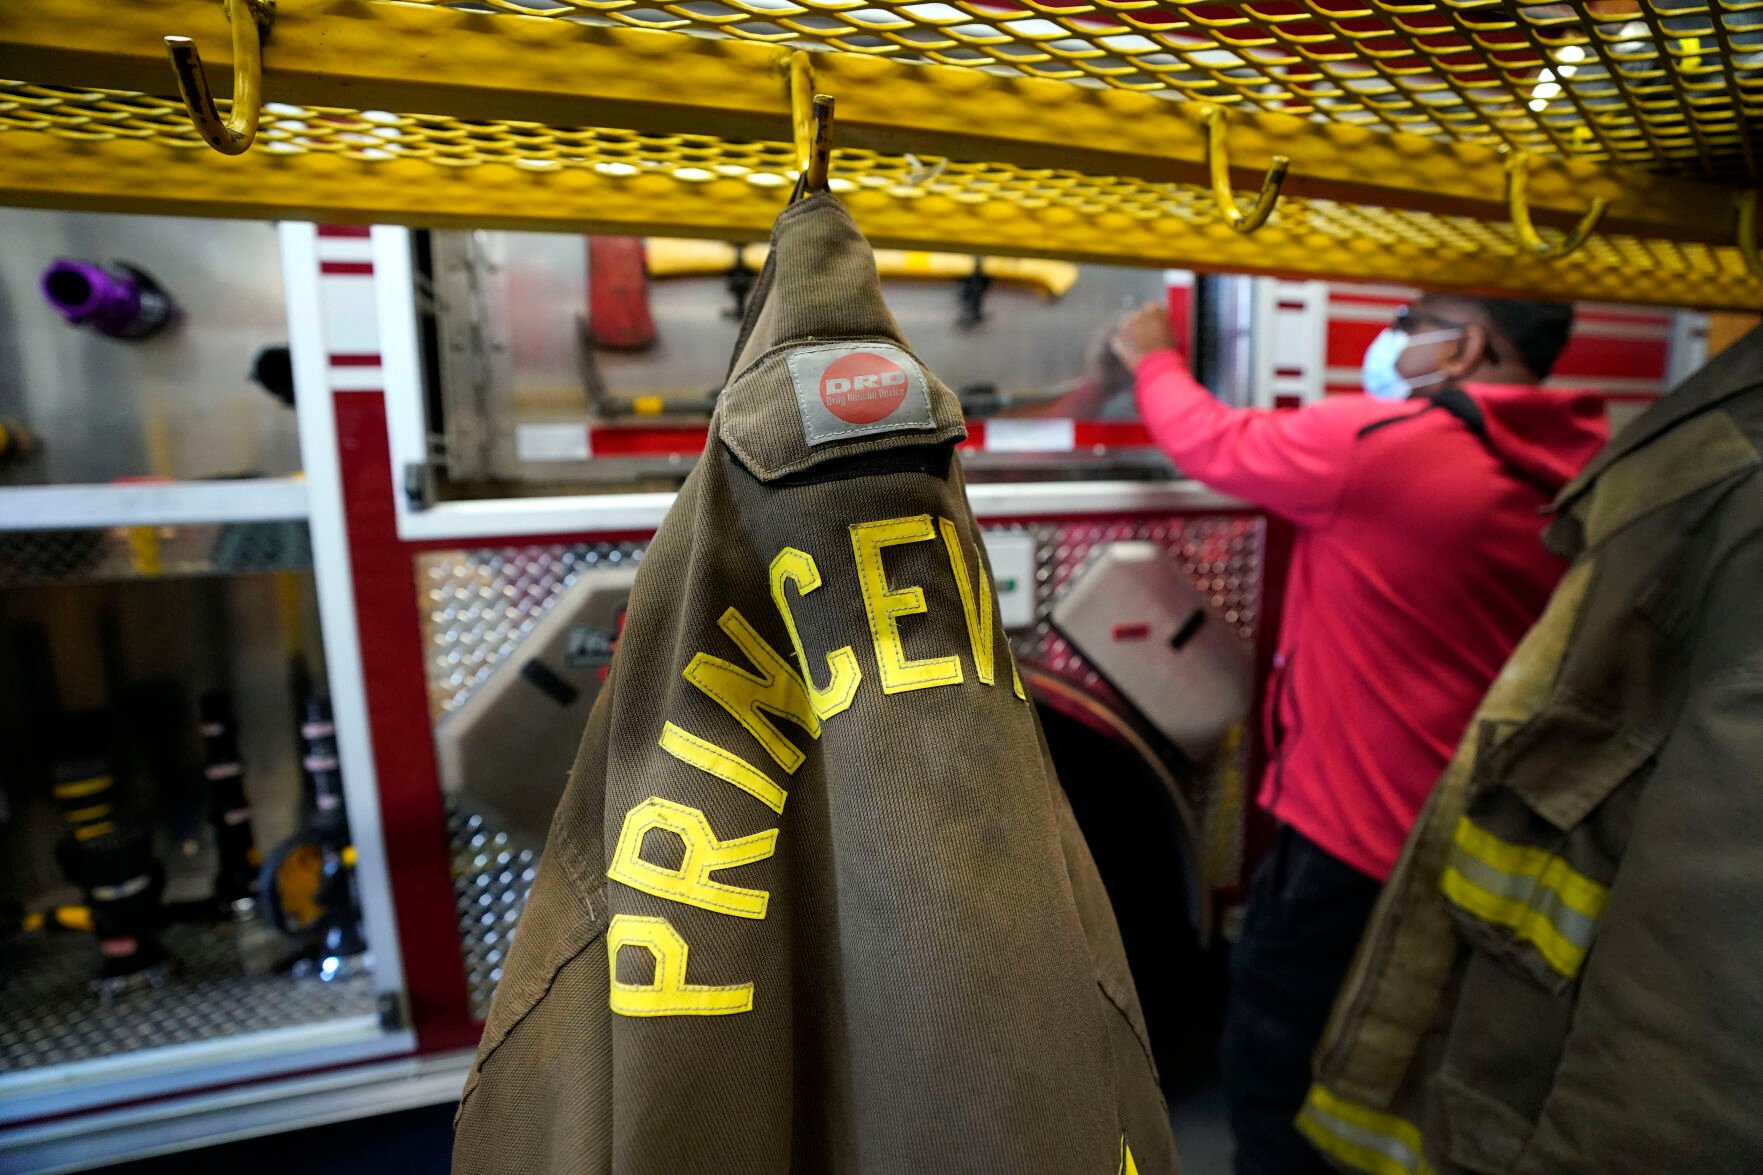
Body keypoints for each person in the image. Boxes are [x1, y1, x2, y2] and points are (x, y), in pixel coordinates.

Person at [1110, 293, 1609, 1175]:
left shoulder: (1381, 447)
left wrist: (1150, 355)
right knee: (1403, 1067)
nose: (1389, 341)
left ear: (1464, 348)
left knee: (1277, 1065)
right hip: (1472, 832)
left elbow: (1208, 440)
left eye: (1409, 323)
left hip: (1346, 838)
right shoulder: (1581, 457)